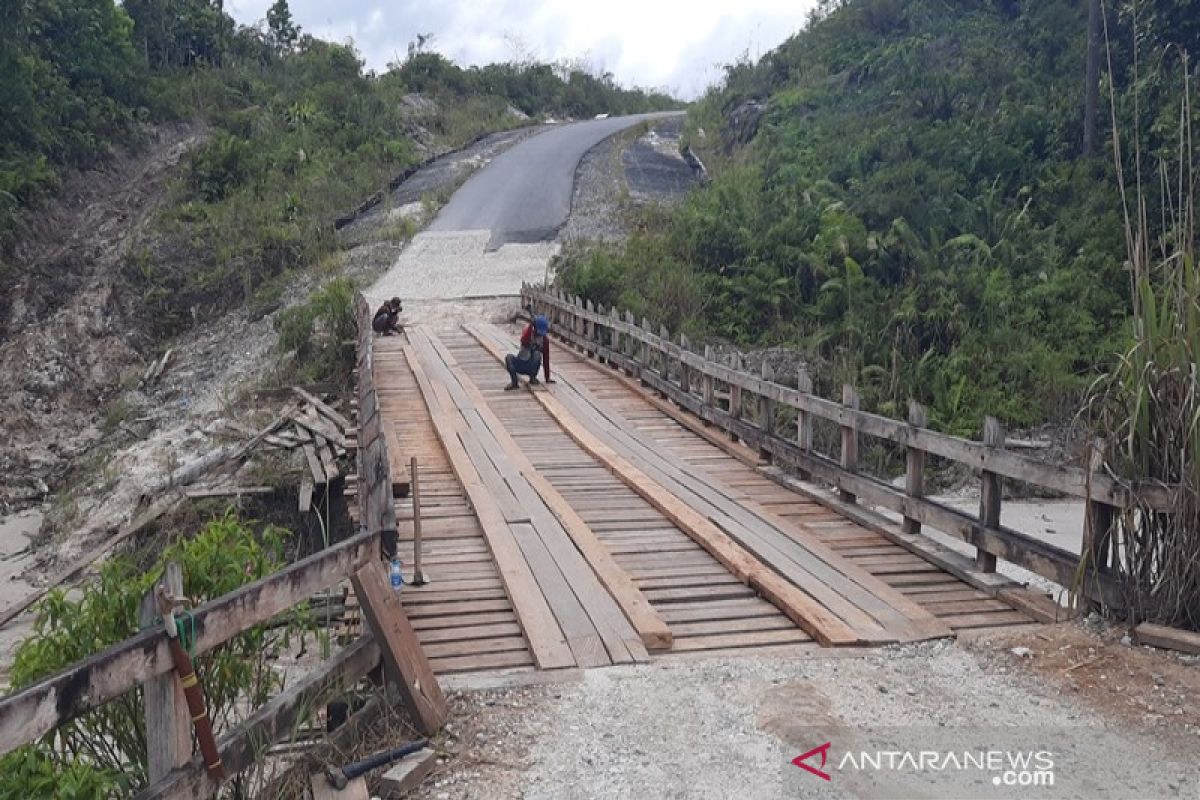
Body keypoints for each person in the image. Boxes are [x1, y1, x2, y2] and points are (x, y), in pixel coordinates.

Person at [505, 314, 555, 390]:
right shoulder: (528, 333)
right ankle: (514, 382)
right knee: (508, 358)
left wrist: (547, 378)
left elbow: (546, 359)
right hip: (521, 362)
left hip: (531, 367)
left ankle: (532, 378)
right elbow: (524, 340)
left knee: (537, 354)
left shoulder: (544, 341)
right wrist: (532, 325)